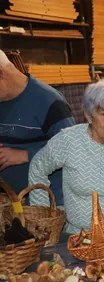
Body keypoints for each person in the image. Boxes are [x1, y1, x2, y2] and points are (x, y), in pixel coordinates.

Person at [28, 80, 104, 235]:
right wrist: (42, 216)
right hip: (77, 238)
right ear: (88, 115)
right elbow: (37, 168)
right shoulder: (69, 140)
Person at [0, 49, 75, 204]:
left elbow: (72, 149)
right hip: (8, 205)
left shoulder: (50, 102)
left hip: (46, 209)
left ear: (1, 75)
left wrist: (25, 154)